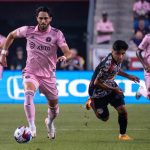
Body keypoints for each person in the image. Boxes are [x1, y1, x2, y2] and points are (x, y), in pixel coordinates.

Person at [0, 6, 72, 139]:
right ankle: (32, 127)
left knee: (54, 110)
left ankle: (49, 123)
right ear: (37, 18)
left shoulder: (57, 34)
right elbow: (11, 35)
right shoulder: (28, 30)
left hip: (49, 76)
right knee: (28, 95)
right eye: (41, 18)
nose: (43, 21)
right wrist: (3, 54)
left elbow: (68, 52)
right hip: (31, 72)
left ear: (50, 19)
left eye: (46, 18)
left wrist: (65, 57)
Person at [85, 40, 140, 140]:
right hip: (97, 92)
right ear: (112, 51)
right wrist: (114, 89)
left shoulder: (118, 59)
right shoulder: (107, 64)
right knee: (104, 117)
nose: (120, 56)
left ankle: (122, 135)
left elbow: (116, 70)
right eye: (118, 53)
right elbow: (96, 83)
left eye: (123, 53)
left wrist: (128, 76)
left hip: (110, 86)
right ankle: (91, 103)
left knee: (122, 110)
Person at [136, 34, 150, 99]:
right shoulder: (148, 37)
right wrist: (145, 65)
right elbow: (138, 51)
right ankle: (141, 91)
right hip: (148, 69)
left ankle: (141, 91)